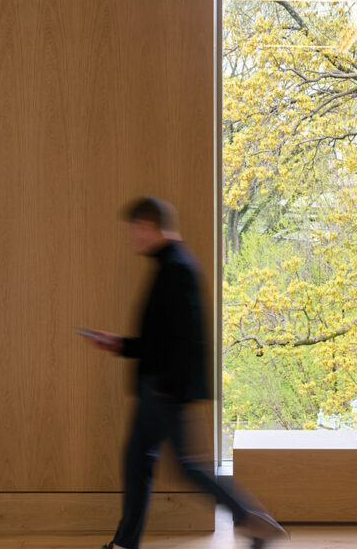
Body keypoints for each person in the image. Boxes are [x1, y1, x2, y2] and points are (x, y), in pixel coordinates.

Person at [82, 197, 286, 549]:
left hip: (163, 390)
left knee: (179, 466)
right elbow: (160, 338)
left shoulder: (175, 268)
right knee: (144, 463)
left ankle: (253, 519)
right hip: (161, 387)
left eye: (135, 230)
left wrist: (166, 388)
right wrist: (120, 345)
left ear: (149, 227)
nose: (132, 238)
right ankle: (128, 543)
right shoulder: (170, 265)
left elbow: (184, 339)